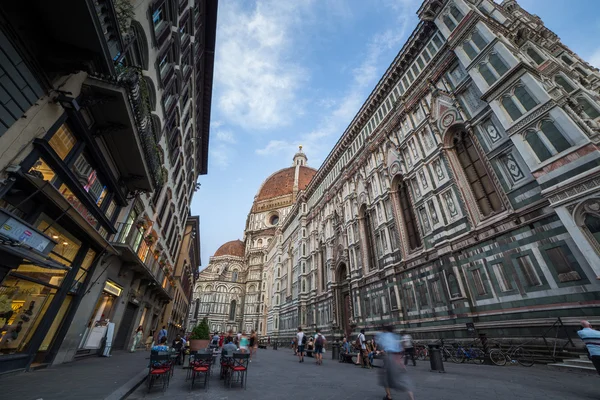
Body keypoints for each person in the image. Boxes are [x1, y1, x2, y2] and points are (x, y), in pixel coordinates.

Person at [377, 325, 414, 400]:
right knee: (402, 378)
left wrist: (380, 352)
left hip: (389, 357)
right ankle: (411, 397)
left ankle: (389, 396)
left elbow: (383, 347)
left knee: (385, 377)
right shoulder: (397, 336)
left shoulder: (384, 335)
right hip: (398, 358)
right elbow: (402, 347)